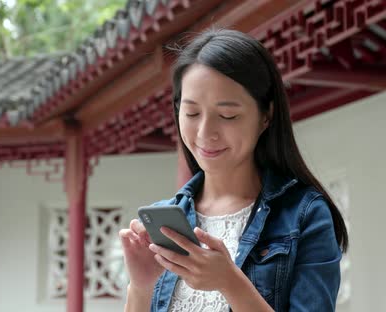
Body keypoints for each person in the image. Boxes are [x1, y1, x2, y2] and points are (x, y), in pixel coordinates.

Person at [119, 28, 348, 312]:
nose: (205, 132)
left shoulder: (304, 216)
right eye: (191, 113)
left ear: (266, 115)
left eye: (227, 115)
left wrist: (230, 283)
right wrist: (140, 288)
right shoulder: (165, 221)